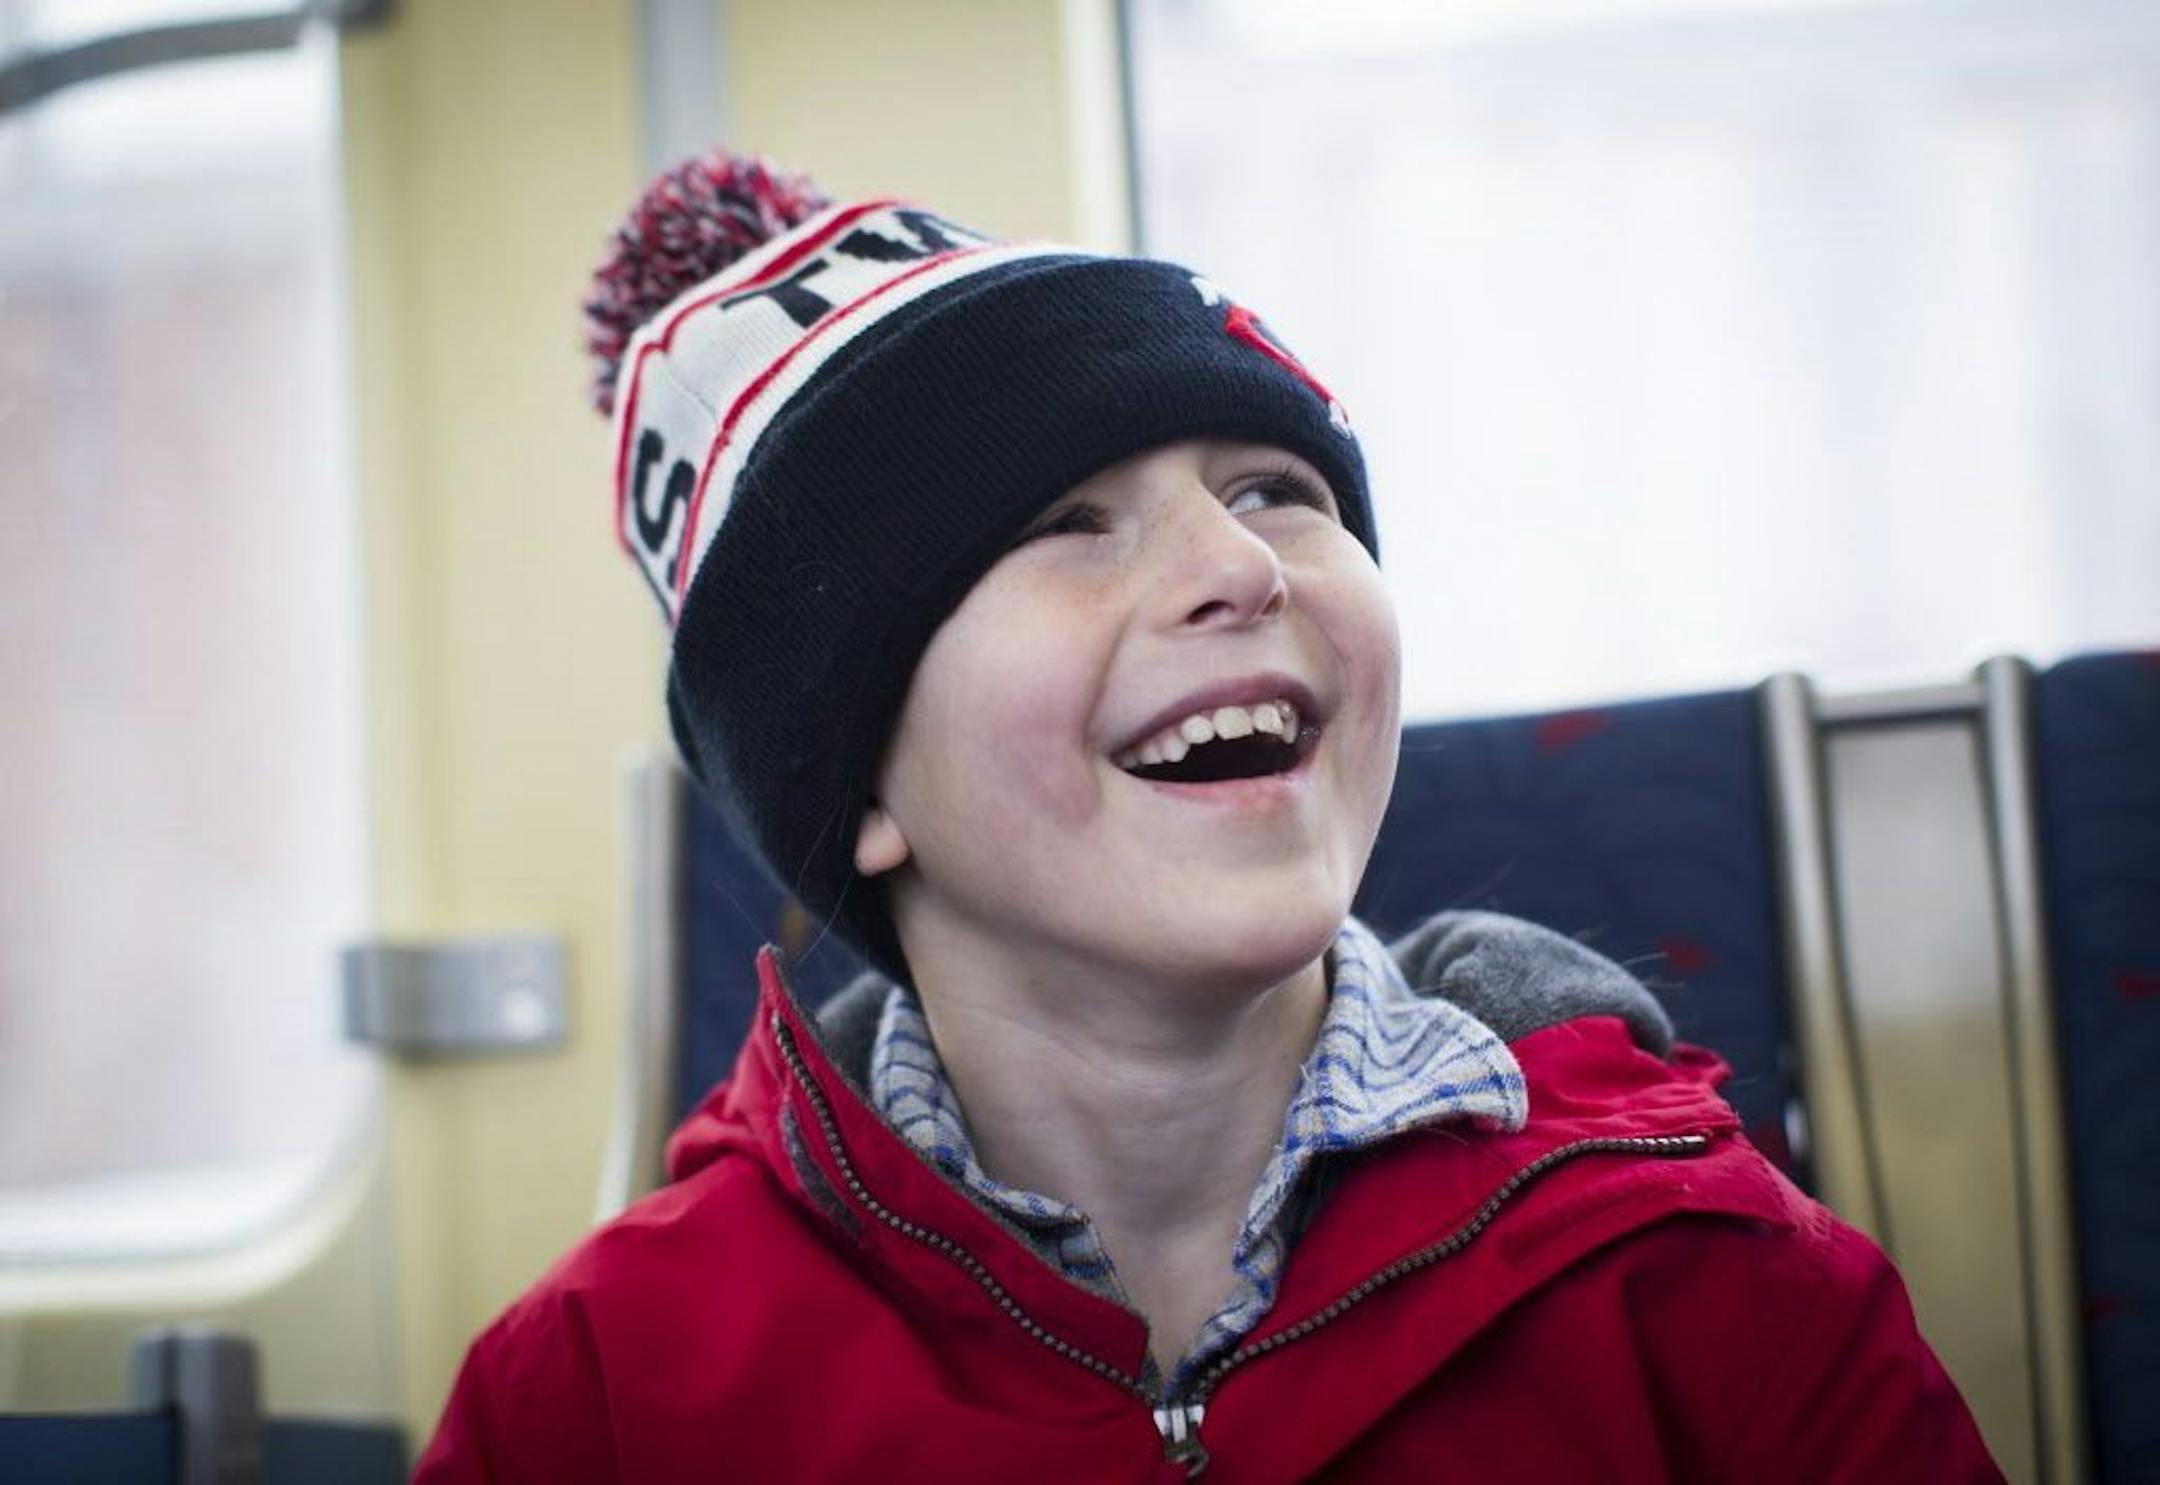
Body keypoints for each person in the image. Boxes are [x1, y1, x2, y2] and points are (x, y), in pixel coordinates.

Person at [411, 150, 2001, 1482]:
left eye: (1276, 491)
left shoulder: (1701, 1268)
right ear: (862, 784)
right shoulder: (602, 1395)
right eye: (1067, 524)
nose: (1240, 569)